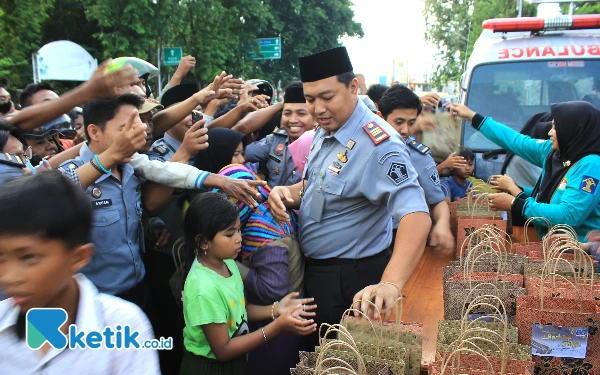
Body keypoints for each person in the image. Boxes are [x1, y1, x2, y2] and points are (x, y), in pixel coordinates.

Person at [267, 47, 431, 332]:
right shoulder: (327, 128)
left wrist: (390, 283)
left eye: (327, 97)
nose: (318, 109)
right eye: (310, 99)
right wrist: (287, 193)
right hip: (318, 274)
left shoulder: (379, 145)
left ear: (353, 86)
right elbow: (318, 184)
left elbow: (416, 215)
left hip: (353, 281)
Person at [0, 171, 160, 374]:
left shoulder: (123, 326)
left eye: (29, 258)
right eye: (1, 257)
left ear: (78, 257)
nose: (8, 277)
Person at [180, 192, 316, 375]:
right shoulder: (203, 288)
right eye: (229, 234)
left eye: (238, 230)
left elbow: (238, 312)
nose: (239, 238)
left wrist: (275, 309)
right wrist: (277, 327)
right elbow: (223, 350)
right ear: (204, 242)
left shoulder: (227, 263)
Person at [451, 101, 600, 241]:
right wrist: (473, 117)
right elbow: (516, 141)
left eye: (555, 128)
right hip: (553, 250)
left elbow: (567, 215)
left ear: (573, 130)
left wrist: (515, 203)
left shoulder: (591, 166)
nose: (549, 132)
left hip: (580, 259)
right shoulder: (554, 152)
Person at [377, 84, 454, 250]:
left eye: (411, 122)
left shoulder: (419, 156)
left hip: (400, 238)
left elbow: (437, 201)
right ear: (380, 117)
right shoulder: (363, 148)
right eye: (398, 122)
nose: (405, 130)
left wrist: (442, 224)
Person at [245, 82, 315, 187]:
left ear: (315, 118)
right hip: (270, 201)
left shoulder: (322, 146)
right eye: (287, 113)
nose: (292, 120)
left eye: (301, 114)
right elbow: (242, 153)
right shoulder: (276, 139)